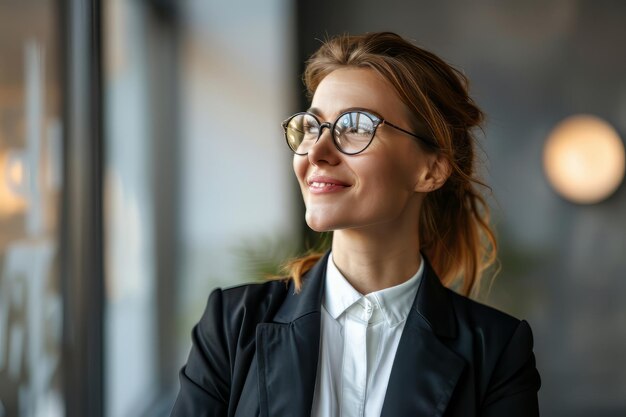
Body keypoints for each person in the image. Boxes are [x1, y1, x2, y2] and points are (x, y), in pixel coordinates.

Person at [171, 31, 541, 417]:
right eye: (312, 127)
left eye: (357, 127)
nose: (316, 151)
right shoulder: (233, 324)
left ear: (430, 170)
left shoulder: (497, 350)